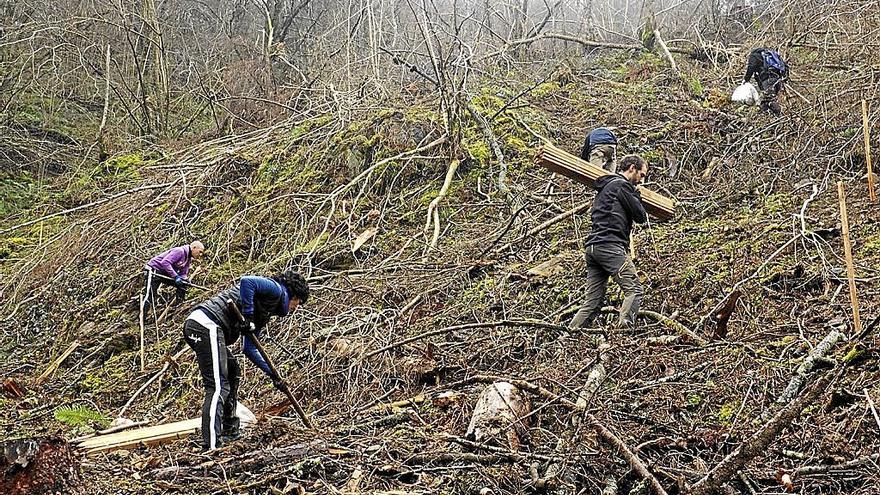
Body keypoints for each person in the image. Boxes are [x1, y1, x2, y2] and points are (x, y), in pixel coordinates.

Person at [183, 270, 310, 451]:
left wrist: (272, 374)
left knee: (233, 372)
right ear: (294, 295)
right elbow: (247, 281)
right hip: (206, 323)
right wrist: (248, 316)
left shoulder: (265, 311)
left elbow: (249, 349)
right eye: (298, 302)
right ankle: (211, 445)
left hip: (208, 327)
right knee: (218, 385)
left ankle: (230, 431)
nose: (296, 308)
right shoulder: (275, 289)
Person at [569, 155, 648, 330]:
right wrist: (637, 196)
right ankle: (624, 334)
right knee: (634, 289)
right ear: (632, 168)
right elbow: (641, 216)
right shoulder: (622, 185)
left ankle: (569, 335)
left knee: (593, 302)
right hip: (609, 246)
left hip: (593, 248)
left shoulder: (605, 187)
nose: (641, 180)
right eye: (641, 175)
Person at [142, 241, 205, 310]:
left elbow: (183, 273)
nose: (200, 254)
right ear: (194, 248)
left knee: (182, 285)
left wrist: (185, 280)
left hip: (164, 272)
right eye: (200, 252)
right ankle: (142, 316)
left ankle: (178, 307)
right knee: (150, 295)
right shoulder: (179, 251)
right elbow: (165, 262)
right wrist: (175, 276)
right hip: (154, 270)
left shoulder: (188, 258)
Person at [743, 48, 789, 116]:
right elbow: (785, 65)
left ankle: (780, 116)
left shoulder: (754, 55)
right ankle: (768, 117)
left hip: (768, 80)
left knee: (769, 100)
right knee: (766, 101)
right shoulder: (771, 55)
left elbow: (751, 67)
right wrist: (785, 78)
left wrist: (746, 79)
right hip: (777, 79)